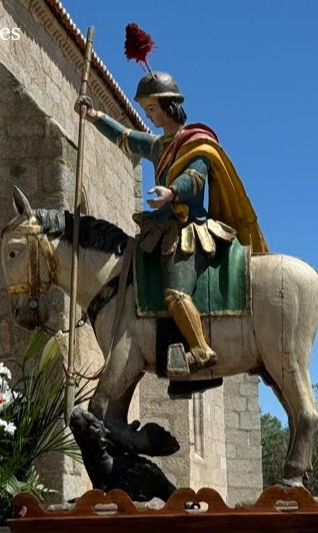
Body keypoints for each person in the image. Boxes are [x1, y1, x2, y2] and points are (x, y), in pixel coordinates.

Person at [75, 71, 267, 372]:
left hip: (187, 229)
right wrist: (94, 115)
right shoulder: (157, 146)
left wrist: (172, 191)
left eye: (152, 109)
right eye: (146, 110)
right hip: (160, 227)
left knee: (175, 294)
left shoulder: (197, 144)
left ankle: (201, 349)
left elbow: (195, 179)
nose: (149, 116)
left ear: (169, 106)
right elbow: (125, 138)